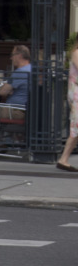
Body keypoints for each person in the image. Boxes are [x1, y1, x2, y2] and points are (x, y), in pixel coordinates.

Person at [57, 40, 78, 172]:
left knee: (76, 128)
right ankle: (63, 159)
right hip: (76, 93)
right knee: (76, 127)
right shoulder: (76, 53)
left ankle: (63, 159)